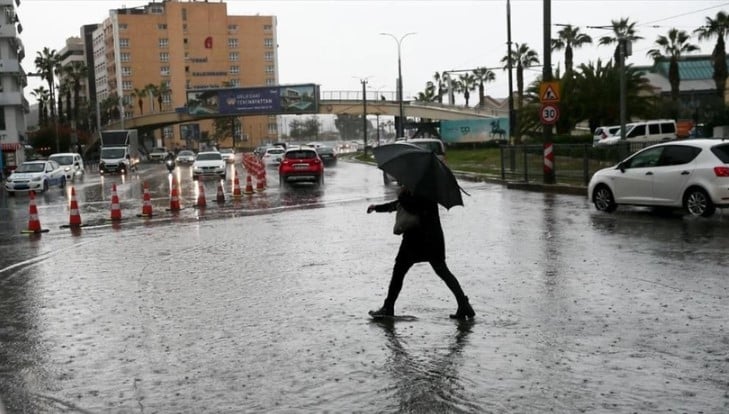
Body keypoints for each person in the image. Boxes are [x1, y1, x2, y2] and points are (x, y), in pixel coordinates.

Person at [367, 186, 475, 319]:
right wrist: (377, 208)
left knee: (400, 270)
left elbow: (412, 206)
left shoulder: (424, 190)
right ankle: (464, 304)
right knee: (441, 271)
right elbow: (400, 205)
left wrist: (402, 195)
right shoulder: (421, 187)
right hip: (430, 239)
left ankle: (388, 307)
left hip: (419, 239)